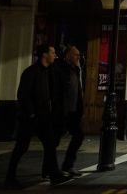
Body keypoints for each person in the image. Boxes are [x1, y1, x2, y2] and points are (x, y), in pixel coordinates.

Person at [5, 44, 70, 189]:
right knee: (21, 147)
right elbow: (23, 94)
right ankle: (10, 177)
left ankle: (53, 174)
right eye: (52, 53)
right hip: (30, 117)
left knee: (50, 144)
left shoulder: (50, 71)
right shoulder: (31, 72)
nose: (55, 55)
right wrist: (31, 112)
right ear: (44, 55)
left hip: (44, 116)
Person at [53, 46, 85, 175]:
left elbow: (77, 89)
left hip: (73, 111)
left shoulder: (76, 69)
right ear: (67, 56)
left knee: (79, 135)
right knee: (53, 142)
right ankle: (48, 170)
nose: (78, 57)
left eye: (79, 55)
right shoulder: (60, 68)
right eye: (75, 55)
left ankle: (68, 165)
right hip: (61, 111)